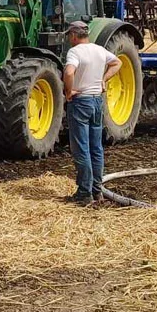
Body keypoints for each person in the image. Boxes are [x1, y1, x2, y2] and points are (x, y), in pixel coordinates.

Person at [63, 20, 122, 205]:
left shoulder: (74, 52)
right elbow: (117, 62)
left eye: (69, 35)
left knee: (81, 148)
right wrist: (103, 79)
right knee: (96, 148)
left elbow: (69, 72)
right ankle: (97, 191)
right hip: (97, 102)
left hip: (81, 102)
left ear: (73, 35)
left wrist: (68, 91)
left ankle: (84, 193)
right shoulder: (99, 50)